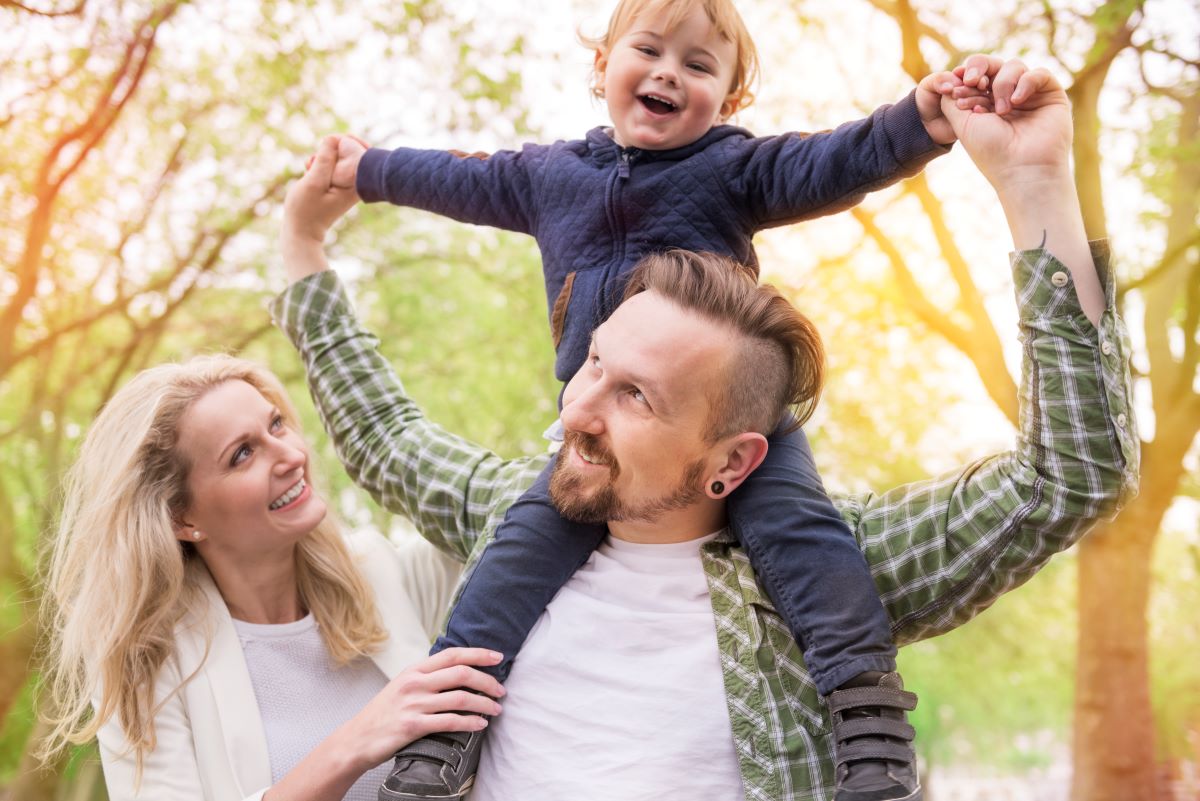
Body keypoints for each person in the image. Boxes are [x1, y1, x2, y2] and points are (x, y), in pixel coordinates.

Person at [275, 54, 1136, 801]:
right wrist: (303, 247)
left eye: (636, 397)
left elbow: (1072, 474)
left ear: (735, 462)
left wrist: (1036, 186)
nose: (578, 407)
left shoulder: (833, 573)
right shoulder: (514, 516)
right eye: (594, 363)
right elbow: (382, 434)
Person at [39, 355, 508, 801]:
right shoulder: (147, 663)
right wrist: (352, 745)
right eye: (242, 454)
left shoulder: (381, 570)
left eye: (276, 424)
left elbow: (508, 522)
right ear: (182, 518)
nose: (290, 455)